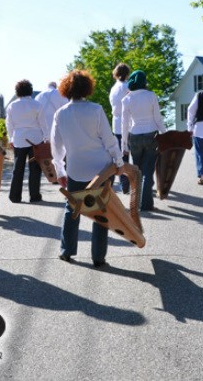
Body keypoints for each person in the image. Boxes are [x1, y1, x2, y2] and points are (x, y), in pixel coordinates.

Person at [51, 70, 124, 267]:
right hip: (101, 168)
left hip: (75, 168)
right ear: (87, 88)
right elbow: (109, 140)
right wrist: (119, 161)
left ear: (66, 89)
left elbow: (56, 146)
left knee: (72, 208)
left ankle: (66, 251)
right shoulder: (96, 109)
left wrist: (59, 171)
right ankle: (98, 257)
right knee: (101, 210)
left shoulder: (60, 113)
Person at [121, 70, 166, 211]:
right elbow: (158, 118)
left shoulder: (126, 99)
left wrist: (124, 144)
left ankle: (136, 202)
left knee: (138, 171)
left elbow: (125, 124)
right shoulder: (151, 96)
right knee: (147, 171)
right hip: (150, 135)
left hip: (134, 137)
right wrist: (164, 134)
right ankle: (146, 204)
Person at [6, 79, 49, 203]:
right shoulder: (37, 105)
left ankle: (15, 196)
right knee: (35, 169)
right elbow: (43, 124)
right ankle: (34, 196)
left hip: (19, 139)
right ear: (30, 90)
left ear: (17, 91)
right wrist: (46, 138)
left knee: (17, 169)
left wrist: (11, 138)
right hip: (36, 139)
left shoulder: (12, 105)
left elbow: (9, 124)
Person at [109, 62, 131, 194]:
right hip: (129, 123)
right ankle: (136, 182)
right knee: (135, 154)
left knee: (121, 156)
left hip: (116, 124)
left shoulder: (113, 88)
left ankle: (124, 184)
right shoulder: (128, 87)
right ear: (127, 73)